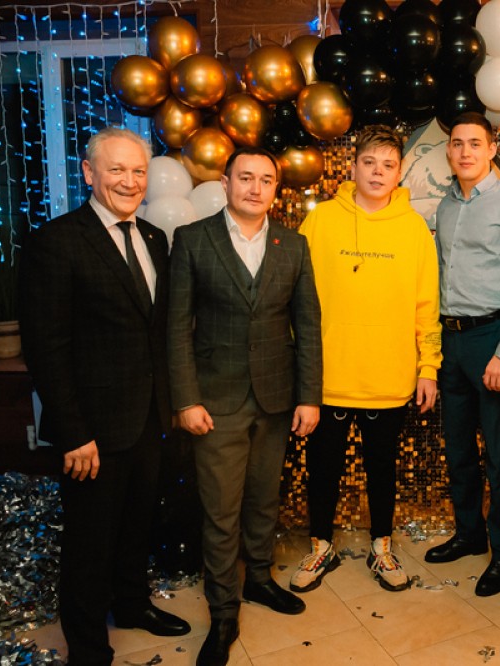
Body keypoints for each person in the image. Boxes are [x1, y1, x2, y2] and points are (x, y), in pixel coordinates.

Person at [20, 127, 190, 665]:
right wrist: (74, 433)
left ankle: (132, 605)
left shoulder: (154, 238)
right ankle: (89, 648)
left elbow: (156, 330)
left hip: (148, 418)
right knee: (90, 543)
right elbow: (46, 348)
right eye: (117, 170)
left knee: (138, 526)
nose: (130, 181)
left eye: (138, 171)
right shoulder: (57, 241)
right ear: (89, 173)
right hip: (91, 429)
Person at [168, 147, 322, 666]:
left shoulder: (293, 244)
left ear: (276, 188)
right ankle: (223, 611)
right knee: (221, 510)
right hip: (216, 401)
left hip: (277, 398)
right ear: (226, 183)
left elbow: (308, 325)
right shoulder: (193, 239)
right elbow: (176, 327)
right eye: (246, 178)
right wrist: (186, 398)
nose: (256, 188)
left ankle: (258, 578)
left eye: (266, 180)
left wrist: (308, 396)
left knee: (262, 499)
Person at [291, 125, 442, 593]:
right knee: (323, 469)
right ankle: (321, 546)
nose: (378, 172)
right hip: (328, 375)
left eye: (388, 165)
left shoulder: (414, 228)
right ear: (353, 167)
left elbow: (427, 304)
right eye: (370, 163)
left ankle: (382, 547)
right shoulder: (320, 220)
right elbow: (294, 295)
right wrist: (300, 367)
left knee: (381, 469)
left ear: (399, 173)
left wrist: (428, 367)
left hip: (388, 376)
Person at [427, 112, 500, 597]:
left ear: (493, 149)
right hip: (450, 340)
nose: (466, 152)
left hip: (493, 339)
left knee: (498, 454)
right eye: (458, 143)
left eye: (475, 143)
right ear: (449, 151)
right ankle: (469, 534)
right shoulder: (446, 206)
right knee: (458, 449)